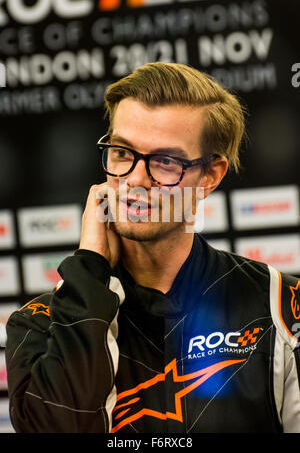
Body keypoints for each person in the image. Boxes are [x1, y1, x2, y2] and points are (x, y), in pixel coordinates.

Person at [5, 62, 300, 434]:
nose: (135, 180)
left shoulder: (281, 307)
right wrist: (90, 267)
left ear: (210, 176)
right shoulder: (38, 324)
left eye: (165, 162)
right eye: (122, 153)